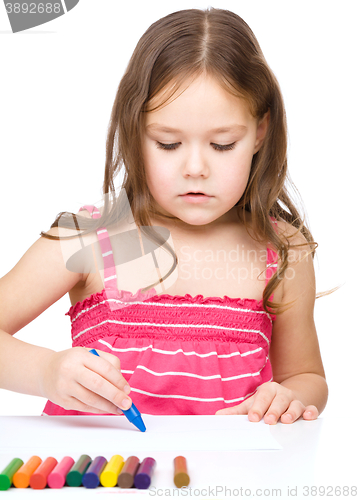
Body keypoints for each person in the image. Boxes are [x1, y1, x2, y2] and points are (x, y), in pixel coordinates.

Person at [0, 7, 328, 425]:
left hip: (231, 482)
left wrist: (289, 397)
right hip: (105, 484)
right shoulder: (86, 239)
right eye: (168, 143)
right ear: (135, 131)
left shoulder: (281, 251)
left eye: (223, 144)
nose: (195, 168)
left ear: (260, 131)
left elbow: (305, 375)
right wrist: (46, 373)